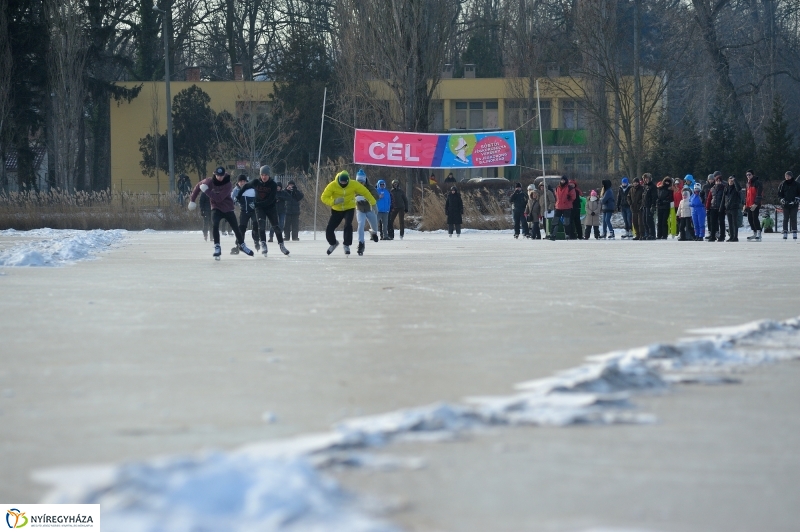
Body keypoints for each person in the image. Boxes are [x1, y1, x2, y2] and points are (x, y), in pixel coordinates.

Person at [187, 166, 254, 259]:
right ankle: (217, 246)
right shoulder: (209, 181)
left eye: (221, 176)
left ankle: (242, 245)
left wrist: (206, 191)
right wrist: (192, 200)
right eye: (218, 175)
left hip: (228, 208)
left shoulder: (228, 184)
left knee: (236, 228)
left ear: (224, 175)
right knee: (215, 225)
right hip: (216, 208)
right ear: (215, 174)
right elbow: (198, 186)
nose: (219, 178)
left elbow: (219, 198)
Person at [237, 165, 290, 256]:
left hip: (270, 207)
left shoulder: (273, 185)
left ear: (269, 175)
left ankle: (281, 245)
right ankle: (263, 244)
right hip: (260, 208)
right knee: (261, 226)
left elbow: (270, 200)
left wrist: (256, 204)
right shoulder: (256, 182)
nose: (264, 177)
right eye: (262, 175)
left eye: (265, 175)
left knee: (276, 227)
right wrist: (238, 196)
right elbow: (245, 186)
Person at [321, 170, 376, 255]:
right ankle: (333, 243)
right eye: (341, 182)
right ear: (339, 180)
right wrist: (334, 201)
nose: (343, 183)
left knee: (348, 225)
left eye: (345, 182)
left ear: (348, 180)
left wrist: (373, 203)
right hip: (337, 209)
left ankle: (346, 245)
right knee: (329, 229)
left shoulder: (353, 184)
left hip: (349, 208)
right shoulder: (332, 185)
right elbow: (324, 197)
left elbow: (366, 192)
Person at [231, 174, 259, 253]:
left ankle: (256, 240)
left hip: (253, 211)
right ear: (238, 182)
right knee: (241, 228)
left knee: (256, 224)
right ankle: (238, 245)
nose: (242, 183)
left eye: (244, 181)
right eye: (240, 181)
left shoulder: (251, 188)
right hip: (244, 211)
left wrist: (255, 203)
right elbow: (231, 201)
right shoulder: (236, 190)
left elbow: (258, 197)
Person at [354, 169, 380, 255]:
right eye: (359, 182)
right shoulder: (354, 187)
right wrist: (355, 198)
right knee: (361, 224)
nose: (360, 183)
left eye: (362, 182)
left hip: (370, 209)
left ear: (365, 181)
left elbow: (376, 196)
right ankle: (361, 243)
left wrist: (366, 198)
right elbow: (350, 195)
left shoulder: (370, 187)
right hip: (360, 209)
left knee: (375, 226)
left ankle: (373, 233)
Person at [777, 171, 800, 240]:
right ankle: (785, 231)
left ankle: (794, 231)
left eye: (788, 176)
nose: (787, 177)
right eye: (786, 176)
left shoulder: (796, 184)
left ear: (791, 176)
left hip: (794, 204)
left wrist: (797, 198)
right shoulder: (782, 184)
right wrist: (781, 199)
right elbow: (779, 194)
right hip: (785, 204)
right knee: (785, 218)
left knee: (793, 218)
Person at [743, 170, 763, 241]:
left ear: (753, 175)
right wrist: (745, 204)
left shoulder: (757, 183)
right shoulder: (747, 183)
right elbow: (746, 195)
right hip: (749, 204)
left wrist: (756, 203)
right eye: (747, 175)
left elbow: (759, 194)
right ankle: (754, 232)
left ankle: (758, 232)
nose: (748, 176)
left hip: (755, 204)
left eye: (749, 174)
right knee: (750, 219)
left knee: (755, 218)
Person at [708, 173, 726, 242]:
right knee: (713, 223)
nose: (718, 182)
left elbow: (725, 198)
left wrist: (724, 207)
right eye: (717, 181)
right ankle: (712, 236)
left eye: (719, 181)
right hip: (713, 207)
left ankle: (722, 236)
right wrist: (707, 207)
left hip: (721, 208)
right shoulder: (712, 189)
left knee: (721, 222)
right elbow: (709, 198)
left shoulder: (724, 188)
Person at [722, 176, 741, 241]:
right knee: (730, 223)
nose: (731, 181)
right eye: (730, 180)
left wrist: (735, 180)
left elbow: (739, 188)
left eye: (732, 181)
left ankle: (735, 237)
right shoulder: (726, 188)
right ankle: (731, 236)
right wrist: (722, 207)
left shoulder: (735, 188)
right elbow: (723, 198)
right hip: (728, 208)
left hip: (734, 207)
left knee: (734, 223)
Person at [641, 173, 657, 240]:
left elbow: (654, 197)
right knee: (644, 220)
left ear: (650, 179)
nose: (646, 179)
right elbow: (643, 197)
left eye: (647, 178)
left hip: (650, 205)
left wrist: (653, 205)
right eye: (645, 178)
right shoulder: (645, 186)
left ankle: (652, 234)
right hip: (645, 205)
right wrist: (642, 205)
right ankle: (647, 233)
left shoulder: (653, 186)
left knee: (649, 220)